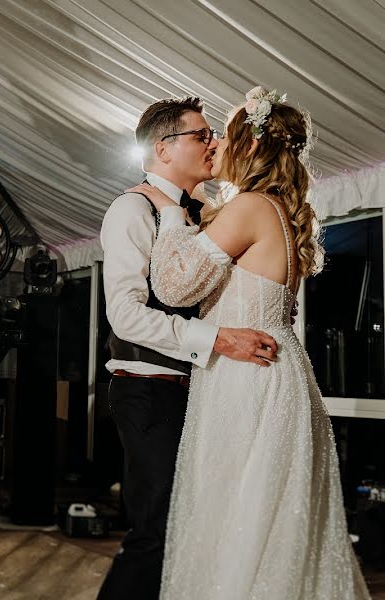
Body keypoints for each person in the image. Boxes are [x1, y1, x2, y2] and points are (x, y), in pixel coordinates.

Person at [133, 87, 370, 598]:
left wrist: (170, 212)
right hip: (273, 374)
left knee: (235, 514)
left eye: (225, 132)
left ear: (249, 146)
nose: (214, 142)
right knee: (259, 515)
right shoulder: (273, 209)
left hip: (246, 381)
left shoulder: (249, 208)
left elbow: (175, 286)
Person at [97, 96, 281, 600]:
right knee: (154, 533)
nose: (212, 143)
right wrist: (220, 340)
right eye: (201, 135)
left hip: (203, 394)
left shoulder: (207, 214)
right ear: (163, 148)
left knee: (194, 534)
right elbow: (126, 316)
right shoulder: (132, 209)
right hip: (148, 391)